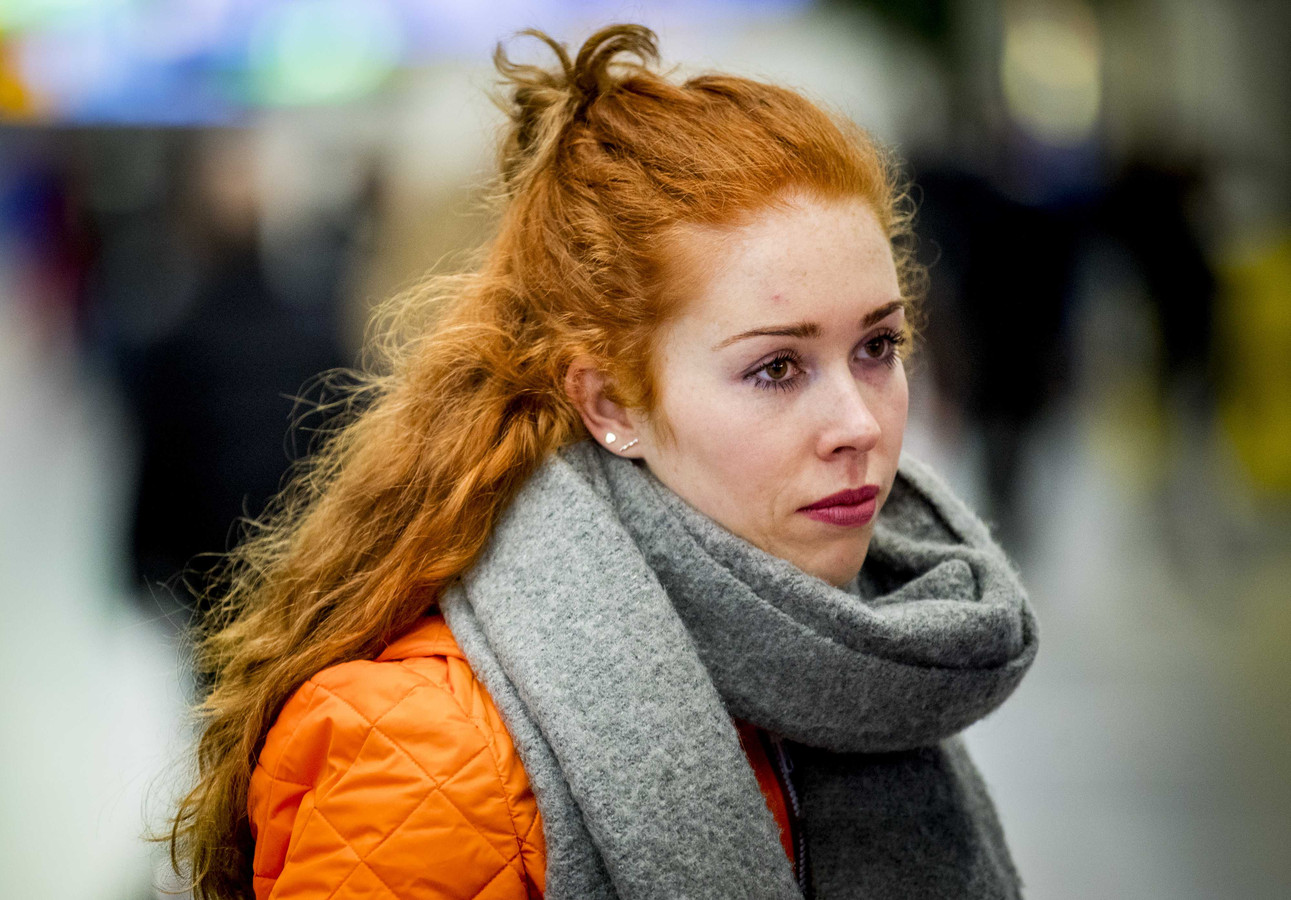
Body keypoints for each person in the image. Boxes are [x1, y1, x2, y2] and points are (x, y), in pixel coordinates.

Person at [166, 24, 1039, 900]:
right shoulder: (421, 751)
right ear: (610, 402)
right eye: (776, 368)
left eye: (878, 346)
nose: (858, 423)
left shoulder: (866, 660)